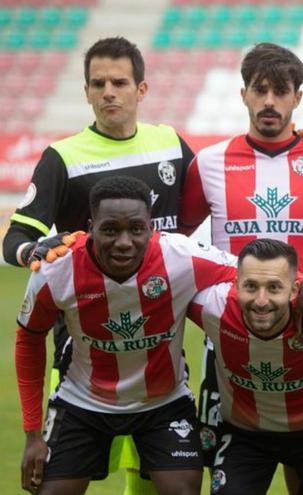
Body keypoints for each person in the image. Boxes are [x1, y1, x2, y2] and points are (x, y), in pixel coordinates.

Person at [3, 36, 195, 495]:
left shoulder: (169, 145)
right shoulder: (63, 157)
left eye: (119, 82)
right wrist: (37, 253)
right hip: (81, 354)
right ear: (86, 91)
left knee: (149, 478)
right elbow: (15, 238)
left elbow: (208, 209)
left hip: (156, 350)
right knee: (61, 478)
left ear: (141, 89)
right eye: (98, 83)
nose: (109, 91)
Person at [176, 42, 303, 489]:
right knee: (226, 463)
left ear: (297, 98)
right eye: (260, 90)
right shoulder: (208, 163)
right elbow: (182, 238)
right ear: (243, 94)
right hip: (230, 329)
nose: (270, 101)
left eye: (281, 91)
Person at [15, 176, 238, 495]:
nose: (123, 242)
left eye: (136, 229)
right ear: (91, 227)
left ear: (151, 228)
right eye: (110, 230)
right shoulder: (56, 267)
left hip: (164, 402)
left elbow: (257, 274)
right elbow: (28, 340)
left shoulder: (181, 256)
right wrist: (32, 435)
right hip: (82, 401)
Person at [186, 238, 303, 494]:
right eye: (250, 286)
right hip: (245, 436)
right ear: (236, 284)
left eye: (274, 288)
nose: (261, 301)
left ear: (294, 290)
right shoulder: (211, 307)